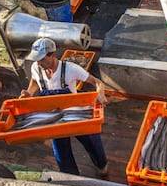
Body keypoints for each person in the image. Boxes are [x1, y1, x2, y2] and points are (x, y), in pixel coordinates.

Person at [19, 37, 108, 176]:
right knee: (61, 152)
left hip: (74, 113)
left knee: (92, 141)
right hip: (53, 117)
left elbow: (97, 82)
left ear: (53, 55)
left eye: (42, 59)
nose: (39, 62)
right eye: (37, 59)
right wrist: (28, 93)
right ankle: (71, 177)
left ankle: (102, 168)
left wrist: (101, 94)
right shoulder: (36, 67)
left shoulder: (70, 69)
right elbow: (35, 83)